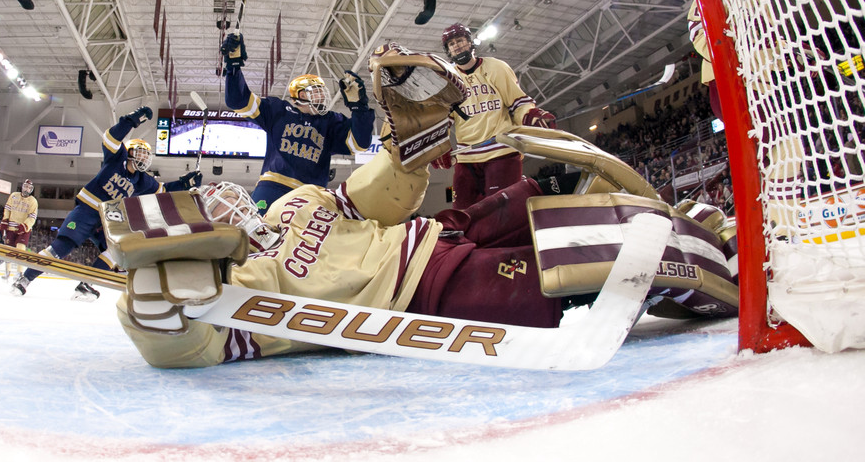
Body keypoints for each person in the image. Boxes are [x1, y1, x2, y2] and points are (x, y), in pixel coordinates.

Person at [106, 45, 739, 369]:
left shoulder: (296, 201)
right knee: (576, 264)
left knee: (536, 198)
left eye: (227, 194)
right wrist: (160, 322)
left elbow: (368, 199)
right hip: (420, 292)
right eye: (213, 206)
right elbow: (211, 343)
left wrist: (405, 155)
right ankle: (700, 255)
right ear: (205, 236)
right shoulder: (243, 284)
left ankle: (661, 219)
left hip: (432, 233)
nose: (227, 202)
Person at [10, 107, 203, 301]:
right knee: (61, 247)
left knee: (117, 251)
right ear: (130, 152)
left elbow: (164, 190)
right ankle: (24, 280)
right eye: (141, 152)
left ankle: (86, 285)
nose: (144, 157)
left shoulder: (143, 180)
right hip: (87, 211)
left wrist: (185, 183)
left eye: (147, 154)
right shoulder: (116, 158)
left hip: (107, 221)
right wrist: (131, 120)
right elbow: (110, 137)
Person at [220, 33, 376, 213]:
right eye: (316, 91)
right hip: (273, 187)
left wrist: (359, 108)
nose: (321, 95)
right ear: (301, 95)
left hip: (311, 194)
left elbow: (361, 144)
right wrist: (233, 68)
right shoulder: (278, 109)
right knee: (257, 234)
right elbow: (238, 101)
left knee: (309, 241)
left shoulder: (331, 121)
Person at [436, 23, 556, 209]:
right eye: (451, 44)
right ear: (448, 50)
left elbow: (518, 102)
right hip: (466, 158)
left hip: (501, 151)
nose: (456, 46)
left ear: (469, 42)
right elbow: (442, 120)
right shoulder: (447, 80)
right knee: (462, 214)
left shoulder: (496, 67)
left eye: (459, 40)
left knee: (501, 213)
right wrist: (439, 146)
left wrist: (531, 116)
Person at [0, 179, 39, 280]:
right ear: (22, 186)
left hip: (24, 229)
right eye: (25, 186)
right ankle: (7, 272)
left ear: (31, 190)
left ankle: (19, 273)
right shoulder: (14, 196)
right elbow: (8, 209)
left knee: (20, 248)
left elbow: (32, 217)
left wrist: (24, 226)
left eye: (29, 188)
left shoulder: (33, 201)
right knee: (9, 250)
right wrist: (5, 220)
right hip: (11, 227)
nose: (27, 189)